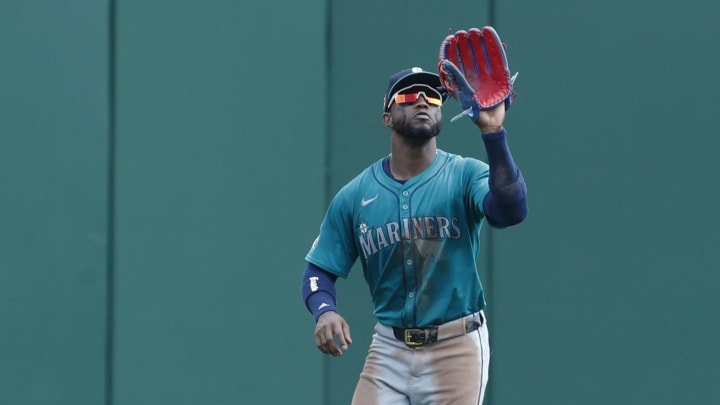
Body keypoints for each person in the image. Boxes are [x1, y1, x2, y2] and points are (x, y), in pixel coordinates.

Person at [301, 66, 528, 404]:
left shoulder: (465, 175)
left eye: (433, 95)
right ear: (387, 117)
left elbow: (511, 210)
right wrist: (324, 310)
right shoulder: (355, 195)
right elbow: (318, 272)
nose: (422, 99)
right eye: (408, 96)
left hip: (456, 345)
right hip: (389, 349)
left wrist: (493, 132)